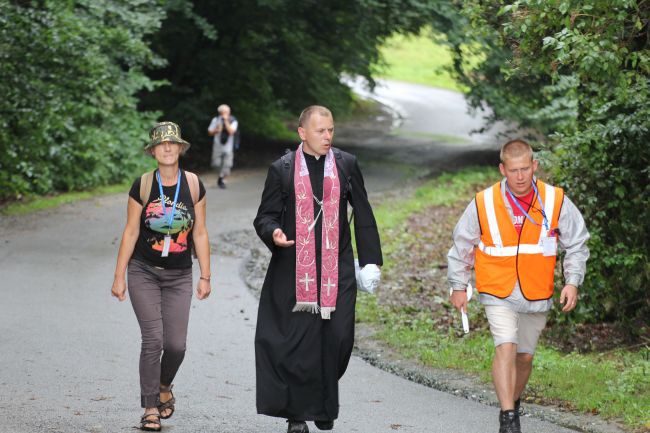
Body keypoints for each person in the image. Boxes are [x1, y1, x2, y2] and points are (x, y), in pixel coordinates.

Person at [253, 106, 382, 433]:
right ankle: (298, 414)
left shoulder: (346, 165)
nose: (327, 137)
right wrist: (274, 233)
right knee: (297, 344)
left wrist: (370, 261)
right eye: (321, 131)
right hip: (293, 269)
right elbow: (265, 216)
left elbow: (364, 214)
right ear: (302, 133)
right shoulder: (281, 170)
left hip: (337, 267)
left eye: (331, 131)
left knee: (339, 338)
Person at [447, 139, 590, 433]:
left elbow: (577, 242)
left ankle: (512, 401)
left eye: (525, 168)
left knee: (524, 357)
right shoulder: (484, 201)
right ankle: (508, 417)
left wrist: (572, 281)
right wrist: (458, 285)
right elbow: (461, 244)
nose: (520, 176)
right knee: (506, 346)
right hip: (497, 289)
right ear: (503, 169)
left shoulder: (554, 200)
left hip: (536, 291)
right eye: (514, 170)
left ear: (534, 166)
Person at [111, 121, 212, 432]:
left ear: (180, 148)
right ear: (153, 150)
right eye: (161, 144)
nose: (167, 148)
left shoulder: (194, 184)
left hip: (180, 274)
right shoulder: (142, 185)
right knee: (153, 340)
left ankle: (164, 385)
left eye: (173, 143)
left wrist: (205, 275)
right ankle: (150, 406)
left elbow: (200, 232)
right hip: (143, 271)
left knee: (177, 345)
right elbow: (130, 232)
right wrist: (119, 276)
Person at [208, 104, 239, 189]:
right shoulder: (216, 120)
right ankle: (221, 176)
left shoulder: (233, 120)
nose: (225, 114)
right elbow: (210, 132)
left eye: (226, 112)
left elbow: (231, 131)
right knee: (215, 164)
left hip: (228, 147)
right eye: (223, 112)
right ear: (220, 113)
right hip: (217, 145)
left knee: (227, 165)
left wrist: (226, 121)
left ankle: (222, 179)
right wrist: (216, 130)